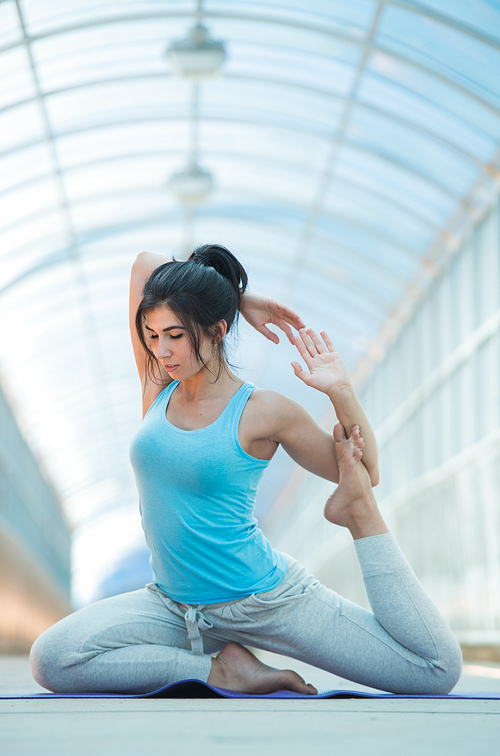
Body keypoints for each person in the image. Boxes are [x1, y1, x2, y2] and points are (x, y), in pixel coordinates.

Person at [30, 244, 462, 696]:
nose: (161, 351)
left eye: (175, 335)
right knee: (53, 659)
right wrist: (234, 296)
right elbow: (144, 262)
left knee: (432, 670)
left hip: (266, 601)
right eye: (152, 335)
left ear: (216, 331)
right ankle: (221, 670)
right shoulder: (158, 386)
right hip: (173, 607)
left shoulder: (264, 411)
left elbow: (364, 470)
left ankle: (359, 518)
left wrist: (341, 392)